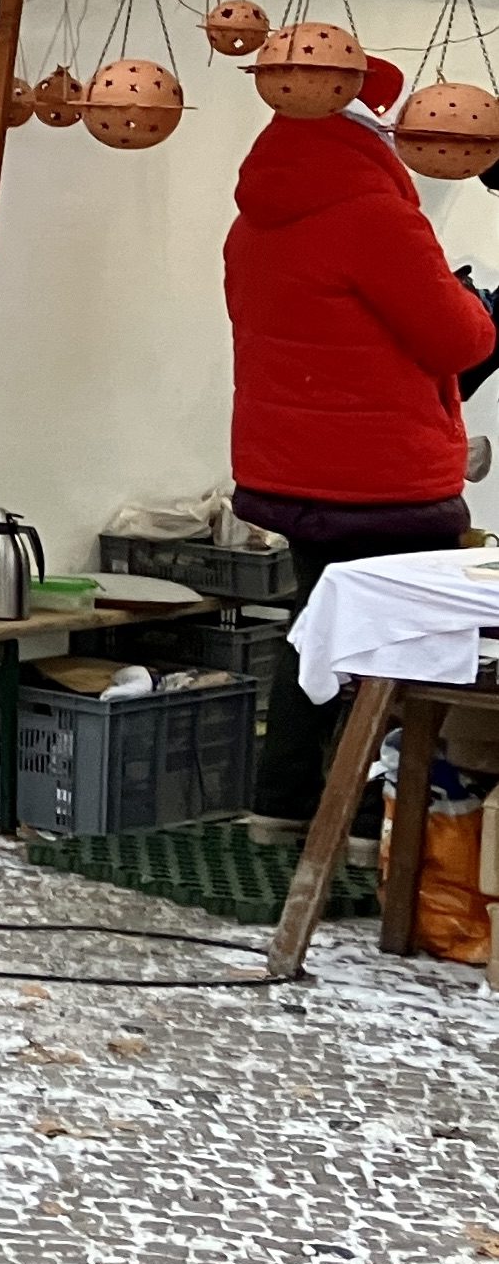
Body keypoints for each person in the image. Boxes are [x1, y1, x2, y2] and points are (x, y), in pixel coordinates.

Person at [226, 75, 499, 833]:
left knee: (312, 627)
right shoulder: (376, 218)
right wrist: (474, 303)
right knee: (398, 651)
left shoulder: (256, 217)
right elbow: (461, 339)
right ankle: (368, 825)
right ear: (379, 135)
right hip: (384, 476)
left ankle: (279, 805)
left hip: (285, 464)